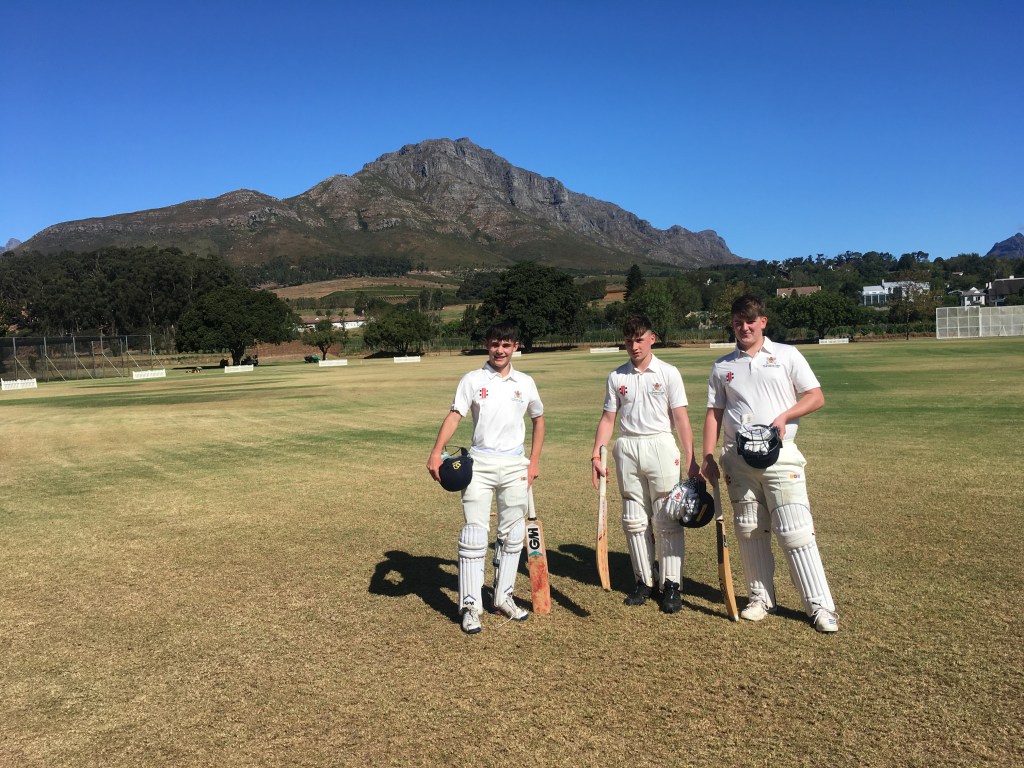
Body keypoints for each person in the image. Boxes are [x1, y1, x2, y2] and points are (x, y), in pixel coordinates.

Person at [700, 294, 839, 633]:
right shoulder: (723, 366)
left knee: (795, 531)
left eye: (750, 321)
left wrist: (784, 416)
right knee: (749, 529)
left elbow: (816, 396)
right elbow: (714, 414)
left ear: (763, 322)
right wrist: (707, 456)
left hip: (781, 454)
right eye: (738, 322)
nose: (744, 327)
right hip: (738, 459)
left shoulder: (787, 355)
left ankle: (820, 607)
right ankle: (760, 598)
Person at [427, 322, 545, 634]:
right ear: (487, 345)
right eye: (494, 344)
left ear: (515, 346)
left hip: (515, 465)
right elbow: (455, 416)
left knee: (512, 534)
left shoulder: (525, 383)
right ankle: (470, 605)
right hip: (479, 463)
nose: (499, 350)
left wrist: (533, 462)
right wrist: (436, 452)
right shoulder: (472, 380)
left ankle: (503, 596)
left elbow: (538, 419)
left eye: (506, 345)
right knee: (474, 534)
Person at [591, 314, 699, 613]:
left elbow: (681, 418)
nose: (634, 346)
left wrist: (692, 459)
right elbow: (608, 419)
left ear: (652, 338)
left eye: (639, 339)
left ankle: (672, 585)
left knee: (666, 518)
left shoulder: (668, 373)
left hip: (660, 445)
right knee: (633, 519)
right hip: (628, 447)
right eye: (629, 341)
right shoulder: (617, 377)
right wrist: (596, 455)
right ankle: (644, 581)